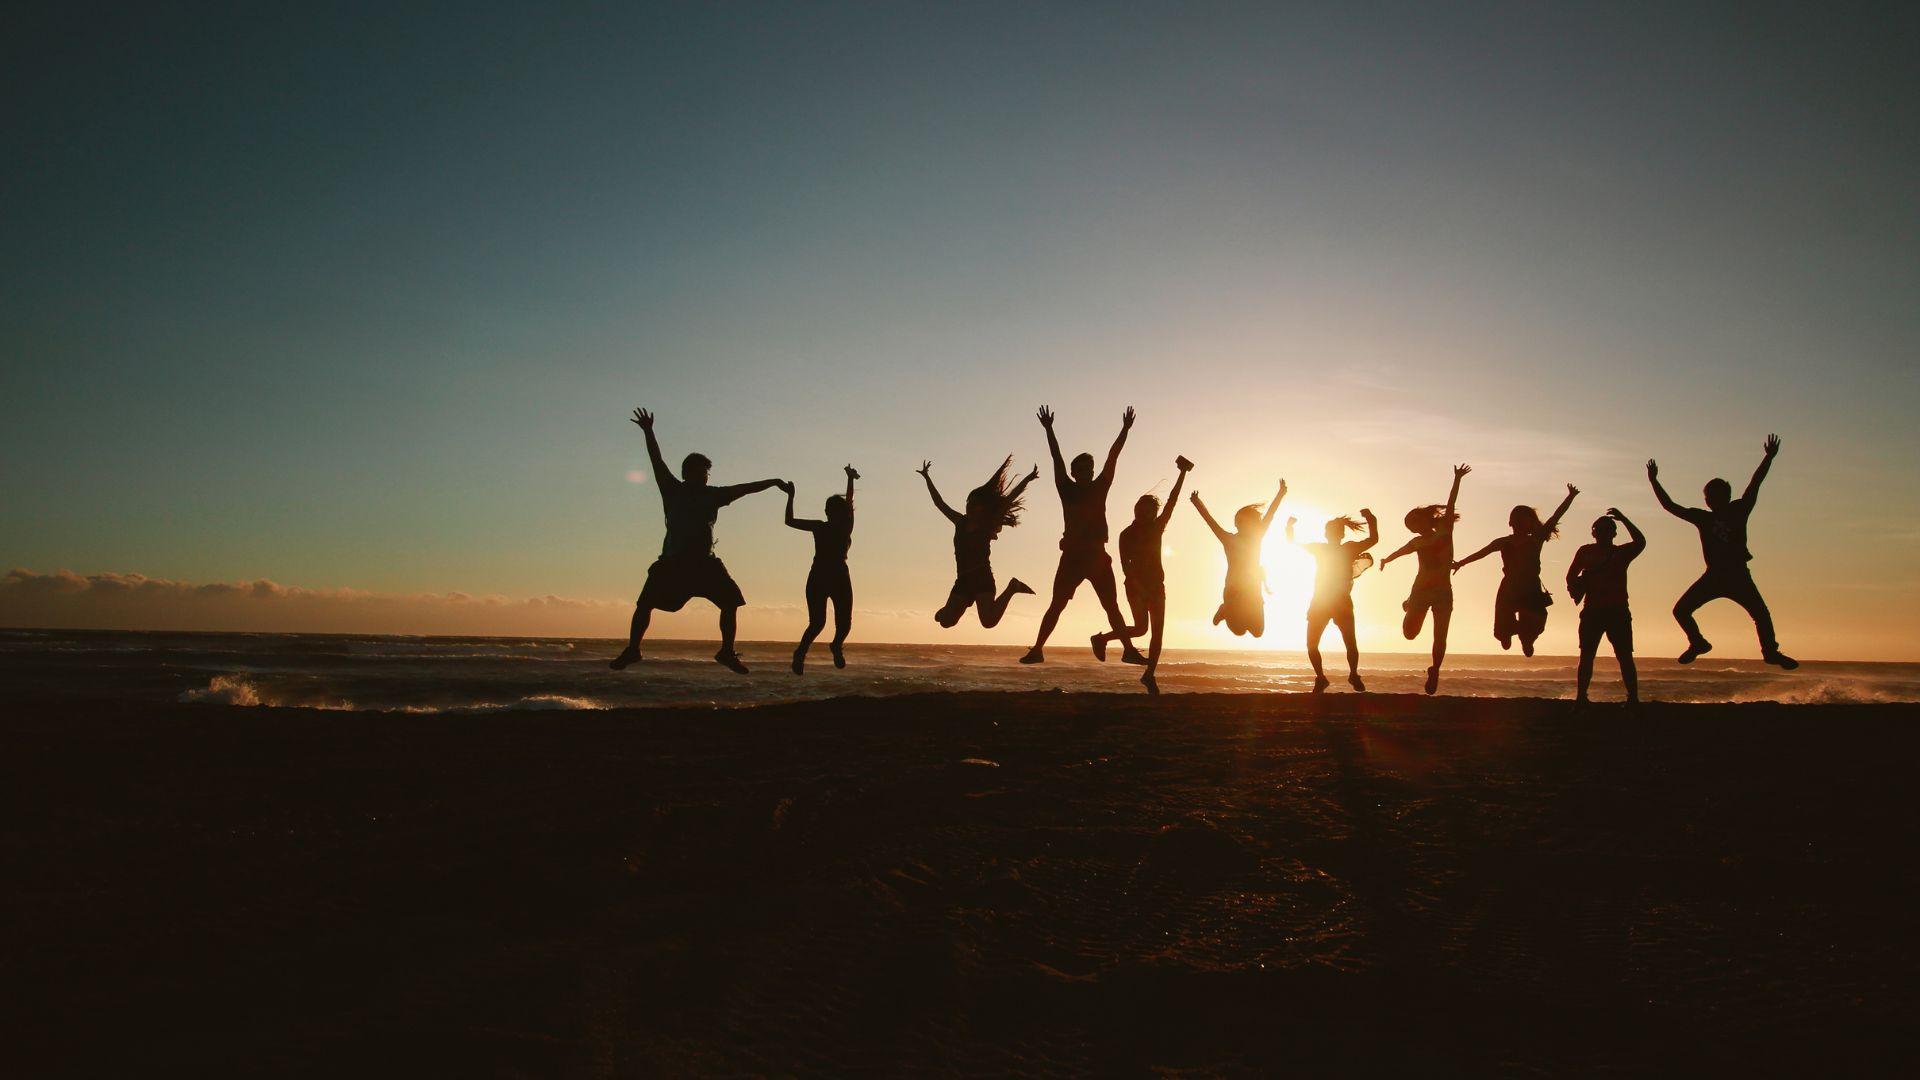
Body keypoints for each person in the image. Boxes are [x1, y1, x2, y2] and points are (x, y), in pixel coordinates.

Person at [611, 408, 785, 674]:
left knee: (731, 602)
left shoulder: (713, 495)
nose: (705, 476)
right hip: (674, 562)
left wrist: (772, 482)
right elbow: (656, 460)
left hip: (705, 564)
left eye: (707, 473)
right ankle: (633, 649)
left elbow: (745, 488)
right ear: (687, 473)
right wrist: (649, 431)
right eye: (702, 472)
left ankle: (726, 651)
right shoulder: (672, 489)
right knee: (644, 603)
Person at [1648, 434, 1797, 668]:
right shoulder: (1704, 517)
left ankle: (1769, 652)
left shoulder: (1738, 509)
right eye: (1710, 497)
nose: (1712, 501)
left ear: (1724, 497)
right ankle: (1698, 643)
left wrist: (1768, 458)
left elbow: (1755, 483)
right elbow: (1670, 506)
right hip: (1715, 575)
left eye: (1715, 497)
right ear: (1707, 501)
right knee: (1682, 610)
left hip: (1736, 574)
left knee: (1760, 614)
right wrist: (1654, 481)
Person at [1021, 406, 1145, 665]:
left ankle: (1128, 650)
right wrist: (1049, 429)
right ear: (1075, 472)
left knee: (1112, 607)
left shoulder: (1101, 486)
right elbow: (1056, 459)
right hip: (1073, 558)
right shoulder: (1066, 488)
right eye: (1083, 468)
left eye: (1090, 468)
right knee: (1057, 605)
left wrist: (1125, 430)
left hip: (1098, 556)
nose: (1088, 471)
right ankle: (1037, 649)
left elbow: (1114, 457)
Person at [1092, 456, 1193, 694]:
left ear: (1152, 513)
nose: (1143, 513)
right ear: (1135, 509)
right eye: (1140, 508)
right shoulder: (1126, 534)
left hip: (1157, 586)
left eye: (1148, 510)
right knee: (1140, 629)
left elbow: (1172, 501)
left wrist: (1182, 474)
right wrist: (1138, 586)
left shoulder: (1157, 528)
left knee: (1155, 633)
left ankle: (1149, 675)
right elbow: (1125, 565)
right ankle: (1102, 639)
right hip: (1135, 586)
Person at [1452, 484, 1580, 656]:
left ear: (1530, 523)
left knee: (1533, 625)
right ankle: (1508, 634)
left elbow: (1556, 516)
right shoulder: (1503, 542)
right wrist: (1461, 563)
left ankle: (1527, 639)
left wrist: (1570, 497)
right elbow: (1482, 553)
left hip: (1531, 587)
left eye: (1524, 518)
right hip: (1509, 588)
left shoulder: (1536, 539)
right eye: (1516, 518)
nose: (1519, 521)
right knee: (1501, 631)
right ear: (1510, 522)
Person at [1380, 463, 1470, 695]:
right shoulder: (1417, 542)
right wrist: (1386, 560)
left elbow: (1450, 505)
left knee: (1440, 636)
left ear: (1425, 519)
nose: (1414, 529)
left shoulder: (1445, 530)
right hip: (1420, 591)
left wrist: (1457, 479)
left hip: (1443, 592)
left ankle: (1435, 670)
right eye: (1411, 527)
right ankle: (1410, 604)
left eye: (1415, 523)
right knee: (1409, 634)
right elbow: (1401, 551)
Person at [920, 457, 1038, 629]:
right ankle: (949, 610)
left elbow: (1009, 499)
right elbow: (939, 503)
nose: (970, 506)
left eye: (975, 504)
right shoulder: (959, 521)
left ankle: (1012, 588)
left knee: (988, 622)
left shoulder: (987, 525)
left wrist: (1027, 479)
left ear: (984, 507)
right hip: (963, 579)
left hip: (982, 577)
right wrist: (927, 477)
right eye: (969, 503)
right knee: (946, 622)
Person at [1288, 508, 1378, 693]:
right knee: (1313, 644)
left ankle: (1352, 674)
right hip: (1321, 600)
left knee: (1349, 642)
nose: (1333, 534)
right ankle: (1321, 678)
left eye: (1336, 531)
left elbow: (1373, 540)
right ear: (1326, 534)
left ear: (1340, 534)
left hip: (1339, 601)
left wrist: (1371, 519)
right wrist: (1289, 526)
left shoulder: (1348, 548)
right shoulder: (1322, 548)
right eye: (1331, 531)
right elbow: (1292, 543)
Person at [782, 465, 858, 674]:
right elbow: (789, 521)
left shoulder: (846, 526)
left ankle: (836, 645)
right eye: (828, 510)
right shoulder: (819, 526)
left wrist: (850, 479)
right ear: (826, 512)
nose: (830, 513)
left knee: (844, 623)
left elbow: (850, 501)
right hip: (819, 576)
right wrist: (791, 496)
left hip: (839, 576)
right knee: (817, 623)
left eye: (834, 510)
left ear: (840, 512)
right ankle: (800, 654)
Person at [1567, 508, 1646, 705]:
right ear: (1594, 533)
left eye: (1606, 530)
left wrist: (1625, 518)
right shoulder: (1585, 551)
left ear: (1613, 533)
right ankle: (1581, 697)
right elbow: (1570, 575)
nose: (1602, 533)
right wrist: (1578, 586)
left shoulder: (1621, 553)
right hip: (1593, 610)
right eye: (1599, 530)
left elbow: (1641, 542)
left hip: (1617, 610)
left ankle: (1633, 698)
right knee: (1587, 655)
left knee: (1624, 656)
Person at [1190, 478, 1286, 637]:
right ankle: (1225, 609)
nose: (1257, 524)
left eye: (1256, 522)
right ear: (1238, 523)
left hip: (1253, 589)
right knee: (1239, 631)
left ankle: (1227, 610)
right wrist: (1197, 502)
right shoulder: (1229, 539)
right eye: (1252, 521)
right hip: (1234, 591)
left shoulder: (1257, 537)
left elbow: (1271, 514)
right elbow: (1210, 522)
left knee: (1257, 632)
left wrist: (1281, 494)